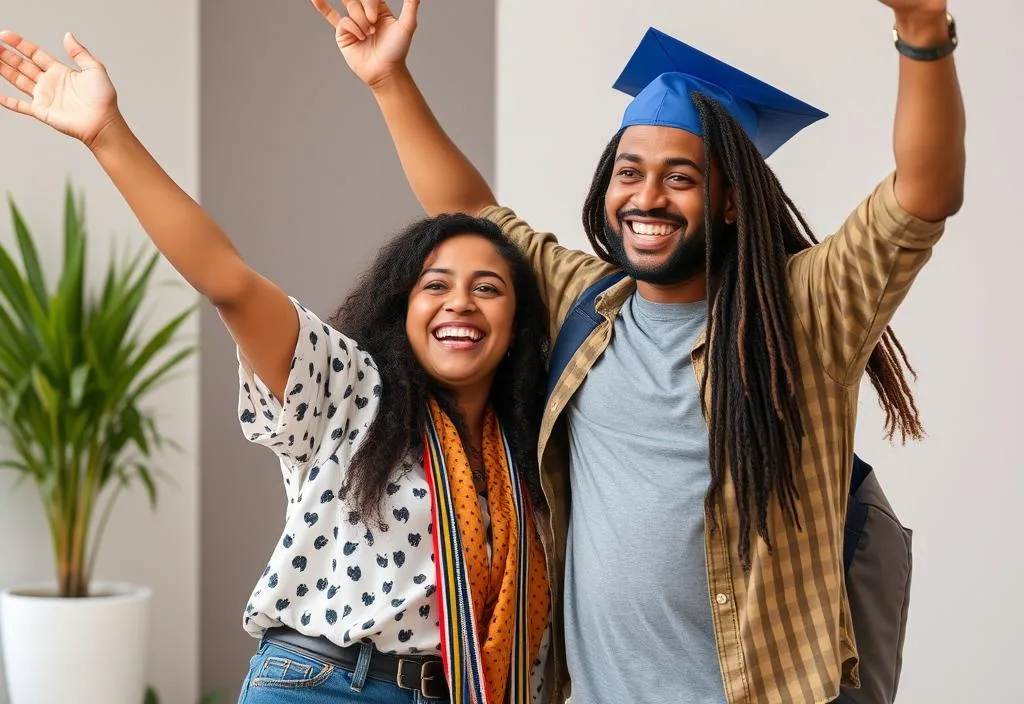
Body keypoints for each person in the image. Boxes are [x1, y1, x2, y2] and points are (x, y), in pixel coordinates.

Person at [309, 1, 966, 702]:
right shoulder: (584, 304)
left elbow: (921, 199)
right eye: (629, 172)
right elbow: (470, 213)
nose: (646, 197)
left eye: (680, 178)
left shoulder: (805, 312)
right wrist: (389, 82)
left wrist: (923, 32)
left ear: (732, 201)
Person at [0, 28, 555, 704]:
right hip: (318, 686)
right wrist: (107, 134)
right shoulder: (351, 389)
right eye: (435, 285)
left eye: (488, 288)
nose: (459, 302)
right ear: (401, 310)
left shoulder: (534, 447)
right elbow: (228, 281)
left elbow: (485, 220)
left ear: (517, 320)